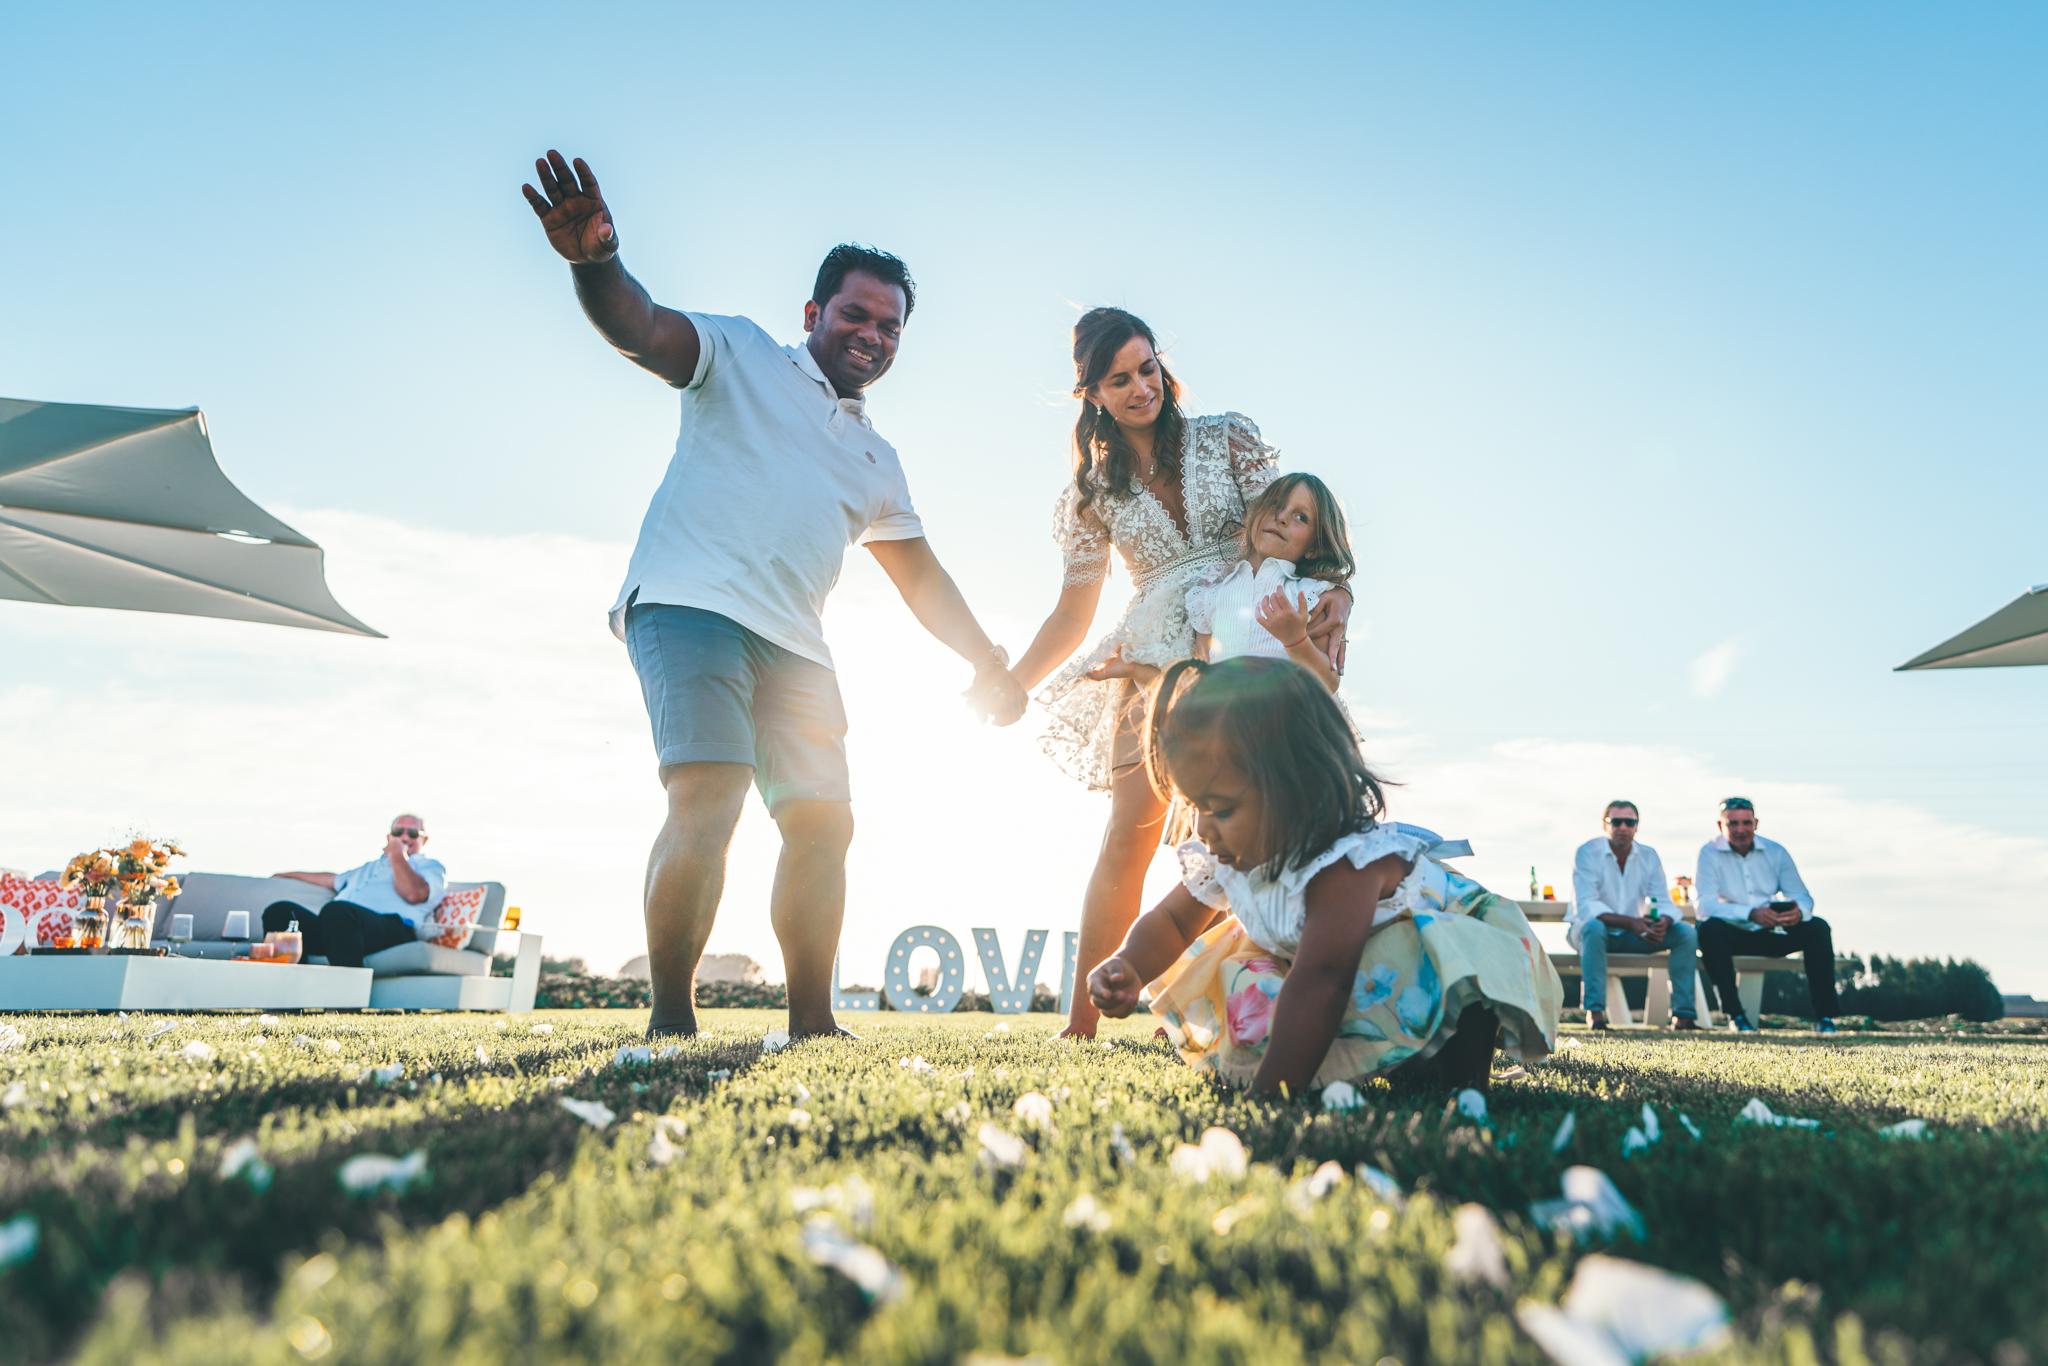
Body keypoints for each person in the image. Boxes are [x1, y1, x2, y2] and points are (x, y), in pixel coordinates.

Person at [522, 150, 1026, 1040]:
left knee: (824, 825)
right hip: (688, 606)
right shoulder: (741, 353)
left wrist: (986, 659)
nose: (873, 334)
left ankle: (812, 1023)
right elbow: (641, 327)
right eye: (856, 314)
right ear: (813, 314)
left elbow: (924, 579)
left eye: (891, 326)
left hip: (797, 648)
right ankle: (671, 1021)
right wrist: (597, 265)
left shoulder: (878, 460)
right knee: (710, 793)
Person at [1004, 307, 1351, 1037]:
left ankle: (1216, 1008)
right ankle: (1081, 1023)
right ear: (1092, 394)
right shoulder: (1091, 494)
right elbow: (1071, 613)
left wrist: (1341, 594)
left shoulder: (1227, 438)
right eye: (1119, 380)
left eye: (1148, 368)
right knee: (1129, 833)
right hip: (1151, 656)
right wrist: (1012, 682)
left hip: (1244, 638)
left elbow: (1295, 528)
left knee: (1245, 832)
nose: (1142, 388)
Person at [1086, 657, 1561, 1093]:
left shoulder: (1345, 867)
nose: (1204, 829)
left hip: (1435, 965)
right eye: (1195, 806)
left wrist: (1273, 1091)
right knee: (1254, 980)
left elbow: (1323, 982)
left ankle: (1454, 1071)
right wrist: (1130, 964)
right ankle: (1381, 1060)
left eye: (1223, 809)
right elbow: (1173, 921)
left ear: (1299, 791)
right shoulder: (1223, 854)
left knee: (1448, 1022)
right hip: (1331, 969)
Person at [1186, 472, 1353, 691]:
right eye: (1275, 505)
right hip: (1224, 709)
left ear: (1313, 547)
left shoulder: (1312, 595)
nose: (1281, 517)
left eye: (1301, 517)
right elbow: (1201, 672)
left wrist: (1295, 640)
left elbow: (1329, 683)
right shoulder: (1210, 594)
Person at [1694, 796, 1839, 1034]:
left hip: (1772, 931)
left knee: (1818, 927)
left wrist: (1798, 913)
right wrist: (1750, 913)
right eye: (1733, 824)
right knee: (1708, 930)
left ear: (1756, 823)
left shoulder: (1776, 851)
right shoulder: (1708, 853)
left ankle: (1825, 1017)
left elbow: (1802, 896)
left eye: (1746, 823)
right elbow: (1704, 906)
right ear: (1720, 826)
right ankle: (1735, 1016)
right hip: (1733, 935)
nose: (1740, 830)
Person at [1569, 801, 1700, 1031]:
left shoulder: (1648, 856)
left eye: (1629, 822)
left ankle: (1684, 1016)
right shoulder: (1587, 852)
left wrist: (1663, 922)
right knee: (1594, 928)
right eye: (1616, 822)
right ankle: (1595, 1015)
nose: (1623, 827)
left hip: (1635, 934)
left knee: (1685, 933)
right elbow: (1586, 906)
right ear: (1605, 824)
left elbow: (1662, 900)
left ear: (1636, 826)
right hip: (1592, 935)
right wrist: (1631, 923)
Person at [267, 814, 444, 968]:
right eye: (398, 832)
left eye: (412, 833)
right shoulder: (369, 868)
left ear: (424, 840)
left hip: (394, 929)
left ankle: (346, 994)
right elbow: (331, 879)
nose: (404, 838)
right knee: (281, 911)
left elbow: (413, 894)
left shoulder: (430, 866)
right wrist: (286, 874)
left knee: (337, 912)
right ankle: (292, 987)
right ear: (389, 837)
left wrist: (397, 854)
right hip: (339, 928)